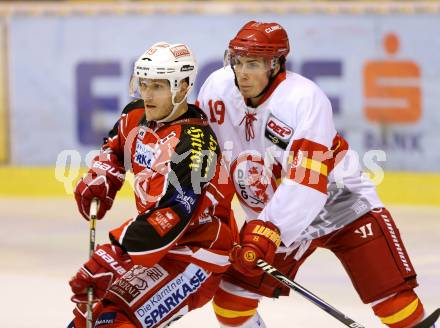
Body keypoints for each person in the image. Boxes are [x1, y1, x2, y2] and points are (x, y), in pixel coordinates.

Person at [196, 21, 429, 328]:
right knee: (232, 303)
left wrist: (266, 228)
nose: (242, 72)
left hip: (342, 206)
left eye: (253, 63)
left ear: (276, 64)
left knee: (397, 307)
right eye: (237, 61)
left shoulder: (303, 99)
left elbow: (306, 180)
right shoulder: (216, 89)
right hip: (278, 215)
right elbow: (207, 157)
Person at [68, 41, 237, 328]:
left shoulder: (196, 146)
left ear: (183, 87)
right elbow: (115, 146)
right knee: (87, 319)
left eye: (158, 86)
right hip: (151, 248)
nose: (147, 95)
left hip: (195, 255)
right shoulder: (136, 115)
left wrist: (115, 254)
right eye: (143, 84)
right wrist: (103, 175)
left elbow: (172, 214)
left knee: (114, 321)